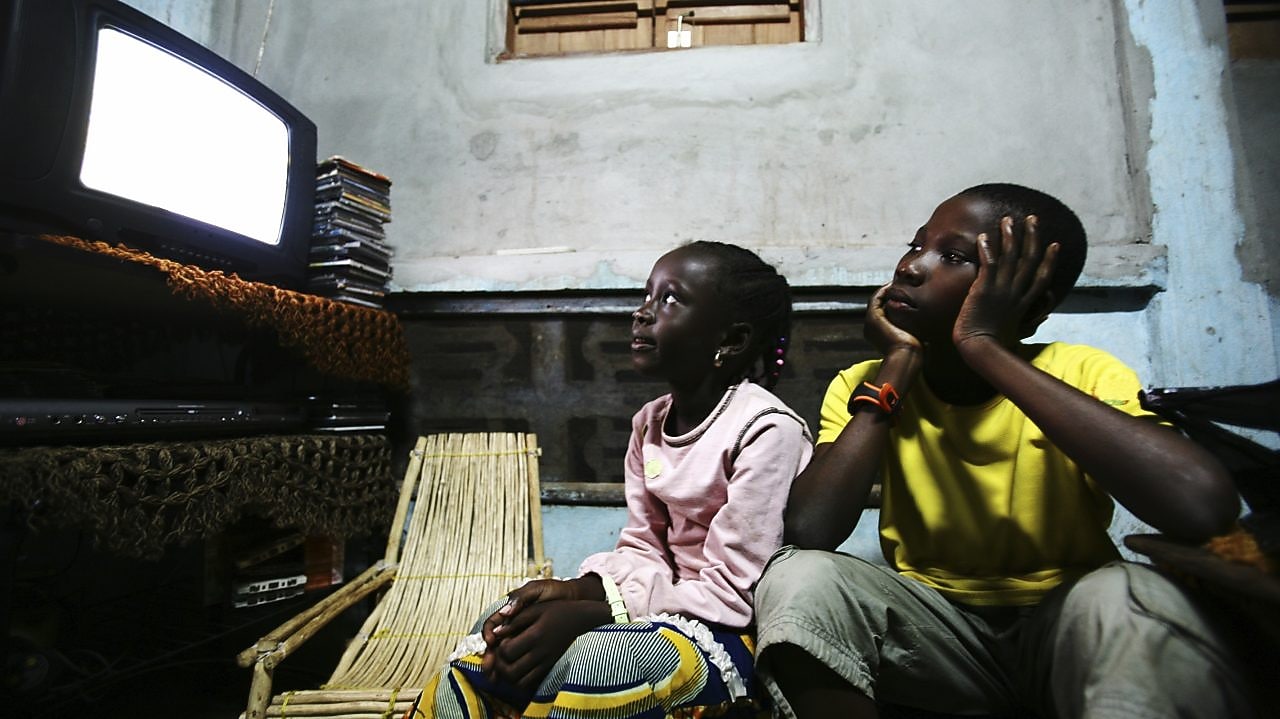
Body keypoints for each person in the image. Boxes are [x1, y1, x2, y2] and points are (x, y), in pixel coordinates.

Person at [753, 183, 1257, 718]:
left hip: (1068, 624)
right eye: (915, 244)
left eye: (952, 257)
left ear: (1031, 300)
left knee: (1129, 594)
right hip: (936, 634)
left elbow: (1202, 507)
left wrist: (986, 346)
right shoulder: (867, 383)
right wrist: (895, 370)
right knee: (797, 577)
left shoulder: (1080, 372)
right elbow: (810, 531)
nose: (910, 267)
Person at [413, 240, 813, 718]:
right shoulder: (649, 422)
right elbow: (642, 548)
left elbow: (735, 592)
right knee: (501, 627)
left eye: (670, 299)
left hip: (730, 631)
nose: (642, 314)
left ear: (731, 339)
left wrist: (599, 612)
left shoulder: (766, 428)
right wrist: (584, 591)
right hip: (657, 611)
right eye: (647, 295)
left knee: (594, 665)